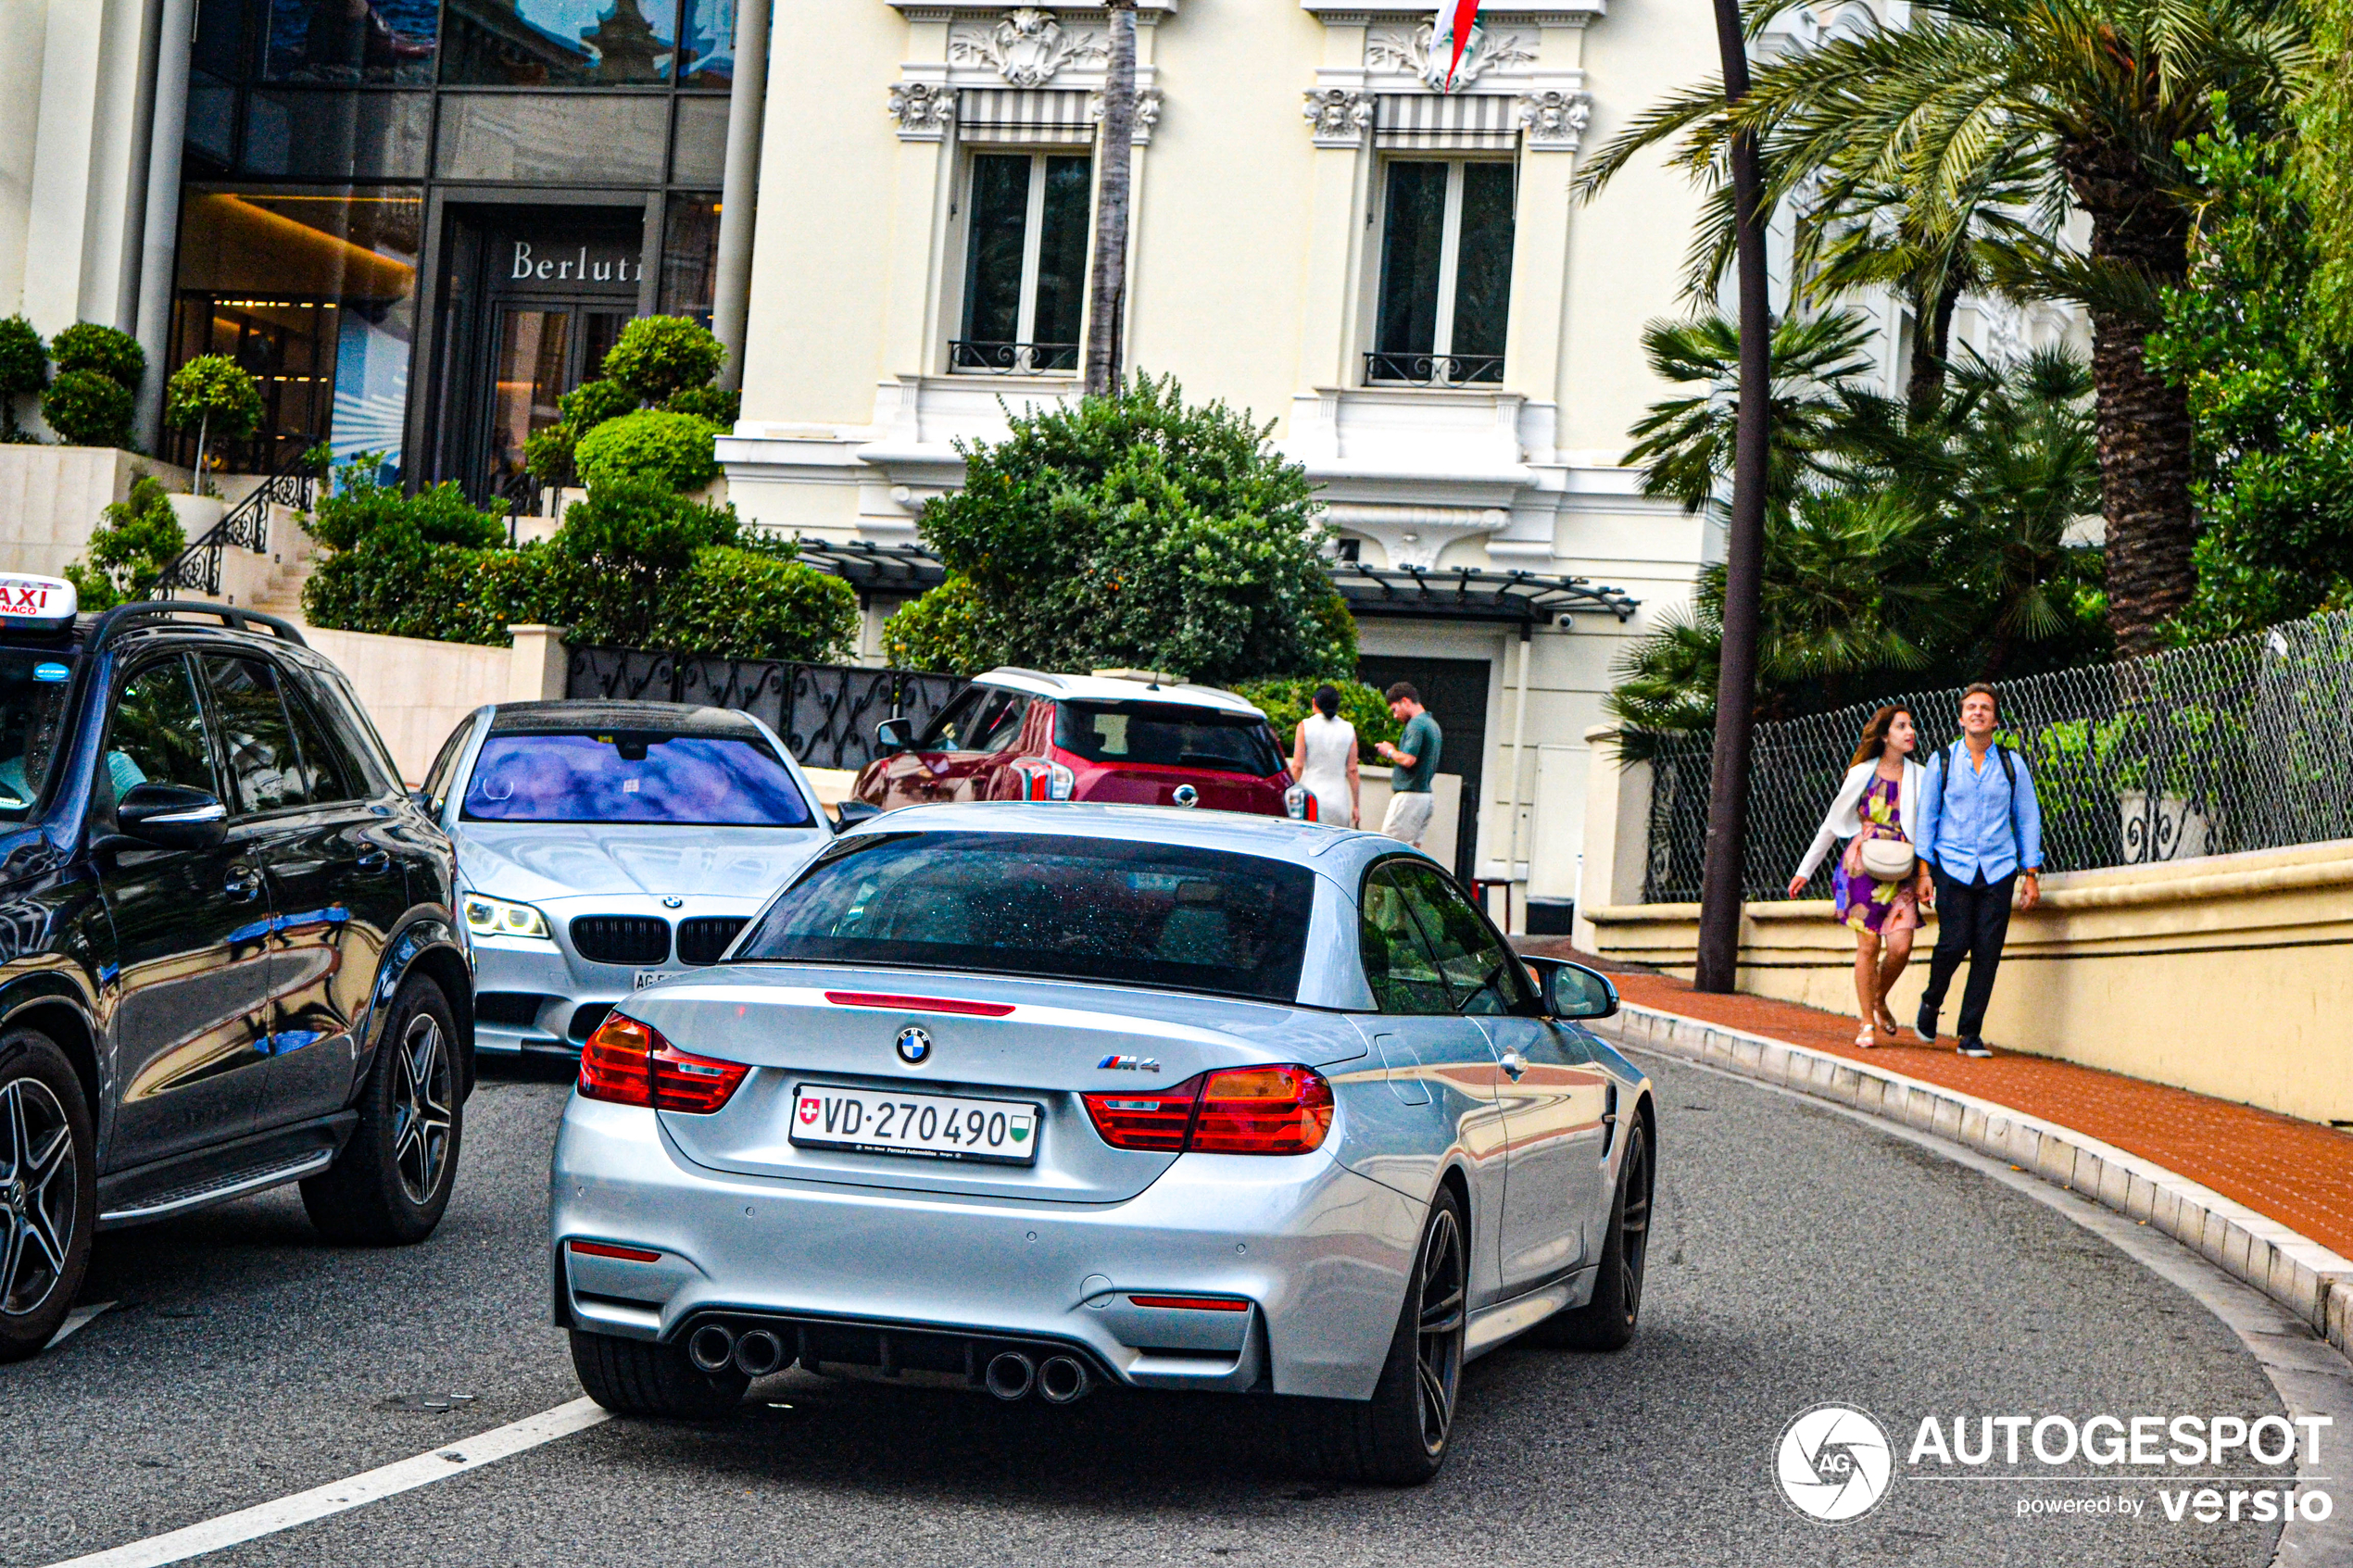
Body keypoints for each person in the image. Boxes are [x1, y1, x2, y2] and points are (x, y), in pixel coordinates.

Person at [1788, 706, 1932, 1047]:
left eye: (1911, 726)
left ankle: (1878, 997)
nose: (1909, 731)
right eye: (1901, 726)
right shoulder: (1861, 774)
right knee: (1868, 945)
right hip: (1863, 866)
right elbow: (1832, 823)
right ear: (1884, 736)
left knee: (1901, 946)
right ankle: (1867, 1022)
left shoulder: (1922, 776)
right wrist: (1804, 870)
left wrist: (1926, 874)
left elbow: (1928, 829)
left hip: (1902, 869)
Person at [1912, 683, 2044, 1058]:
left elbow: (2027, 817)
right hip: (1952, 866)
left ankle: (1970, 1033)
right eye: (1971, 707)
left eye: (1985, 707)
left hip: (1998, 868)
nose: (1978, 713)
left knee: (1988, 950)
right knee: (1954, 942)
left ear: (1994, 719)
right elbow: (1928, 818)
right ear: (1961, 717)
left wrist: (2030, 873)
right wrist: (1924, 872)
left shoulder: (2011, 764)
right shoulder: (1942, 761)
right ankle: (1932, 999)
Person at [1373, 683, 1441, 847]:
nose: (1395, 716)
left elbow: (1409, 759)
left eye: (1395, 709)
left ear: (1405, 701)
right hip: (1425, 797)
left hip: (1409, 797)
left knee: (1388, 849)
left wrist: (1389, 751)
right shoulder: (1432, 725)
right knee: (1411, 853)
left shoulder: (1416, 725)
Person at [1290, 684, 1361, 827]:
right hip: (1339, 802)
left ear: (1314, 702)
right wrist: (1356, 806)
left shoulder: (1305, 726)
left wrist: (1288, 793)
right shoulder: (1348, 729)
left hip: (1311, 801)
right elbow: (1353, 770)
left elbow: (1298, 766)